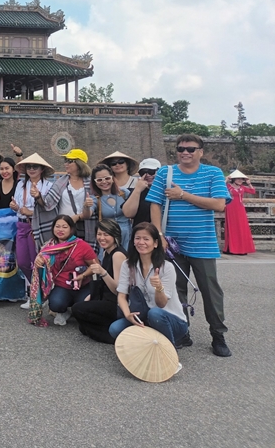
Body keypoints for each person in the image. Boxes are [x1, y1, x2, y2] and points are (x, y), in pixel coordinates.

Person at [148, 134, 232, 356]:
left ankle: (218, 334)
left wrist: (183, 195)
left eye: (191, 149)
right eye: (181, 148)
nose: (185, 152)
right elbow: (155, 204)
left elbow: (219, 204)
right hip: (171, 243)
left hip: (202, 242)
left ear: (201, 152)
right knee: (175, 290)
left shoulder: (212, 173)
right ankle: (181, 331)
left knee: (210, 291)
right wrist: (158, 234)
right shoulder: (166, 173)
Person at [109, 223, 189, 362]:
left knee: (155, 313)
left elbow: (162, 304)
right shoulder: (128, 265)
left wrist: (159, 288)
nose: (141, 242)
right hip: (143, 316)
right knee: (115, 329)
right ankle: (146, 349)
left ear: (155, 243)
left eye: (146, 239)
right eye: (137, 238)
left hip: (171, 320)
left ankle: (170, 355)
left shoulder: (166, 267)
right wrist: (128, 315)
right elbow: (121, 295)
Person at [28, 214, 98, 327]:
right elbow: (41, 262)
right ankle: (63, 311)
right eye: (57, 226)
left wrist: (83, 275)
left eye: (64, 227)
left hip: (83, 285)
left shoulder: (82, 245)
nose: (60, 230)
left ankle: (75, 309)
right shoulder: (49, 246)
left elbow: (96, 266)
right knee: (56, 304)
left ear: (71, 229)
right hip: (62, 286)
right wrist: (39, 262)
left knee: (83, 307)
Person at [71, 220, 127, 343]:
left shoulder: (117, 255)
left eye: (106, 234)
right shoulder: (106, 252)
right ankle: (102, 329)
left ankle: (113, 336)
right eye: (99, 234)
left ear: (115, 235)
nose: (102, 238)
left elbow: (118, 290)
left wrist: (103, 272)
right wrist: (92, 295)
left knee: (78, 310)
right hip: (105, 297)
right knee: (82, 324)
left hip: (117, 304)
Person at [11, 153, 55, 309]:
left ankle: (39, 294)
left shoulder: (48, 186)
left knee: (37, 261)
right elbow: (17, 204)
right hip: (22, 225)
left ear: (42, 169)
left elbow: (49, 207)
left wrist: (30, 211)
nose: (31, 169)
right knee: (22, 261)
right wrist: (16, 207)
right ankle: (38, 291)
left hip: (38, 225)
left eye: (35, 167)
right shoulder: (21, 185)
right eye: (29, 167)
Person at [33, 148, 96, 251]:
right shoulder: (60, 182)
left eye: (70, 161)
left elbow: (95, 206)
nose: (66, 164)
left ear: (80, 164)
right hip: (64, 226)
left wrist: (78, 216)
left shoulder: (91, 183)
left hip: (85, 226)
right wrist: (38, 196)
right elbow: (47, 203)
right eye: (65, 161)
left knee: (81, 257)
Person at [90, 164, 131, 250]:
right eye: (99, 180)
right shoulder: (95, 198)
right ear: (95, 182)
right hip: (108, 237)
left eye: (107, 178)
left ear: (112, 178)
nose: (104, 182)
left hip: (127, 235)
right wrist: (86, 207)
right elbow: (88, 213)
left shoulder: (124, 193)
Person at [122, 158, 161, 230]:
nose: (148, 175)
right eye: (143, 172)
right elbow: (128, 213)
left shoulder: (165, 191)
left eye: (151, 171)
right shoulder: (137, 192)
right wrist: (137, 190)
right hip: (141, 234)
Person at [223, 170, 256, 255]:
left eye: (241, 179)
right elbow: (220, 189)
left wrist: (249, 183)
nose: (240, 180)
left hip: (240, 208)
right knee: (232, 227)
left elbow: (253, 191)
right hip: (230, 208)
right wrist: (225, 180)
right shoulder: (228, 186)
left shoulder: (242, 187)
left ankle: (241, 248)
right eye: (238, 179)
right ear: (233, 179)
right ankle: (231, 248)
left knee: (242, 227)